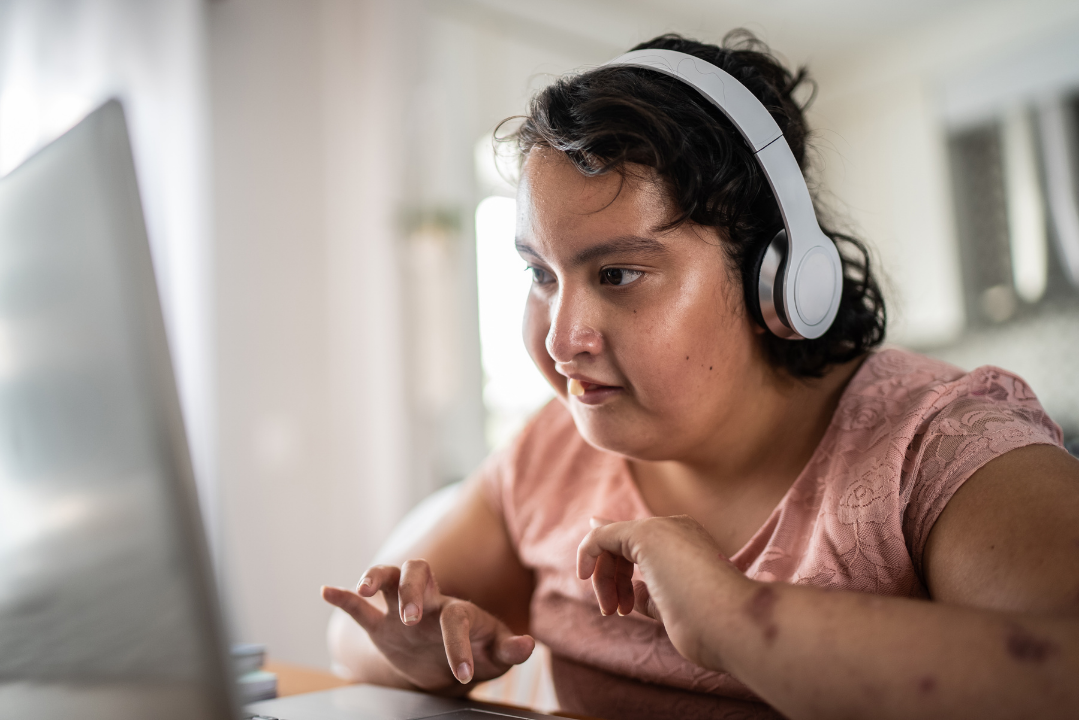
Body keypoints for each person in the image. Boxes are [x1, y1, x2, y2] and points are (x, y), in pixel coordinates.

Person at [321, 31, 1078, 719]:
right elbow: (351, 635)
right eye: (540, 273)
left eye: (616, 272)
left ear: (775, 280)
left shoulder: (939, 444)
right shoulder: (551, 454)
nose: (560, 339)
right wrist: (417, 653)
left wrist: (735, 619)